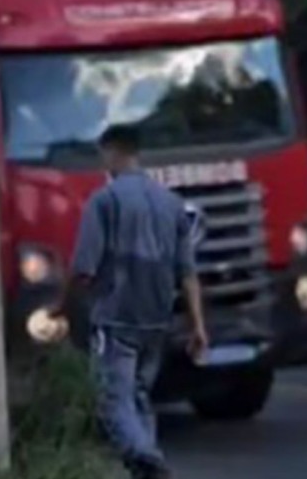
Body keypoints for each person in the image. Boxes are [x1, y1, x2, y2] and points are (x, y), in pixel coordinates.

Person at [49, 125, 209, 479]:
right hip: (157, 319)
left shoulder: (104, 201)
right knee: (138, 396)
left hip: (117, 317)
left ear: (112, 152)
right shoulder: (171, 204)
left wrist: (61, 307)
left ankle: (148, 459)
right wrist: (198, 327)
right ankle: (146, 466)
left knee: (112, 400)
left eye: (103, 155)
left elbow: (83, 269)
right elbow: (187, 273)